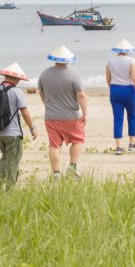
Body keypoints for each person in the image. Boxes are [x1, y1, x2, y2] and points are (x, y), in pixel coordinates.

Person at [38, 46, 88, 179]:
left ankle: (56, 173)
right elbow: (81, 95)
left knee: (54, 144)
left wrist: (48, 105)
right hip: (71, 116)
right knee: (77, 140)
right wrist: (85, 113)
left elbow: (42, 94)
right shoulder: (73, 76)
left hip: (51, 116)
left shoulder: (44, 74)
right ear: (68, 61)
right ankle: (72, 167)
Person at [0, 63, 37, 189]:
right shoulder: (16, 91)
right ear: (17, 78)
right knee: (13, 162)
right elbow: (25, 112)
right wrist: (32, 128)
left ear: (5, 75)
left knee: (5, 158)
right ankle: (9, 190)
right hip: (13, 133)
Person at [106, 39, 135, 154]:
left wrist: (113, 88)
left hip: (115, 89)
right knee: (132, 117)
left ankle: (119, 147)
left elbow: (108, 79)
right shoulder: (131, 60)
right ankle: (132, 144)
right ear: (127, 50)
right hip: (129, 90)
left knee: (117, 119)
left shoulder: (110, 61)